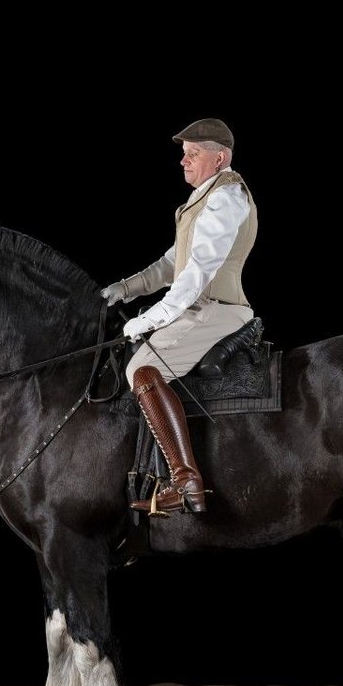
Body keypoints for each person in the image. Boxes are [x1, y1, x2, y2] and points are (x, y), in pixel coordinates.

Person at [102, 118, 258, 516]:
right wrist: (126, 287)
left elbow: (198, 271)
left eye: (192, 154)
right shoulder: (202, 198)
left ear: (219, 157)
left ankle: (185, 480)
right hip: (198, 306)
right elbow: (173, 263)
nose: (183, 162)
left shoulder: (227, 197)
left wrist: (150, 319)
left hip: (220, 310)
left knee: (142, 368)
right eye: (183, 154)